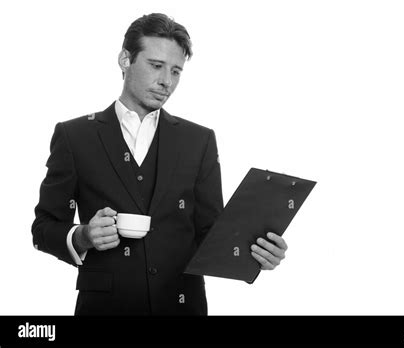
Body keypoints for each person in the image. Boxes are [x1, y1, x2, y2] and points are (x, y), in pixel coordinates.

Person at [31, 13, 287, 315]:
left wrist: (254, 252)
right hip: (104, 309)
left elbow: (210, 233)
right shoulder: (74, 136)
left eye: (176, 71)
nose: (166, 81)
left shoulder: (199, 140)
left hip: (182, 306)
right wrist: (84, 235)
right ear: (125, 59)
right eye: (156, 66)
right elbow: (44, 228)